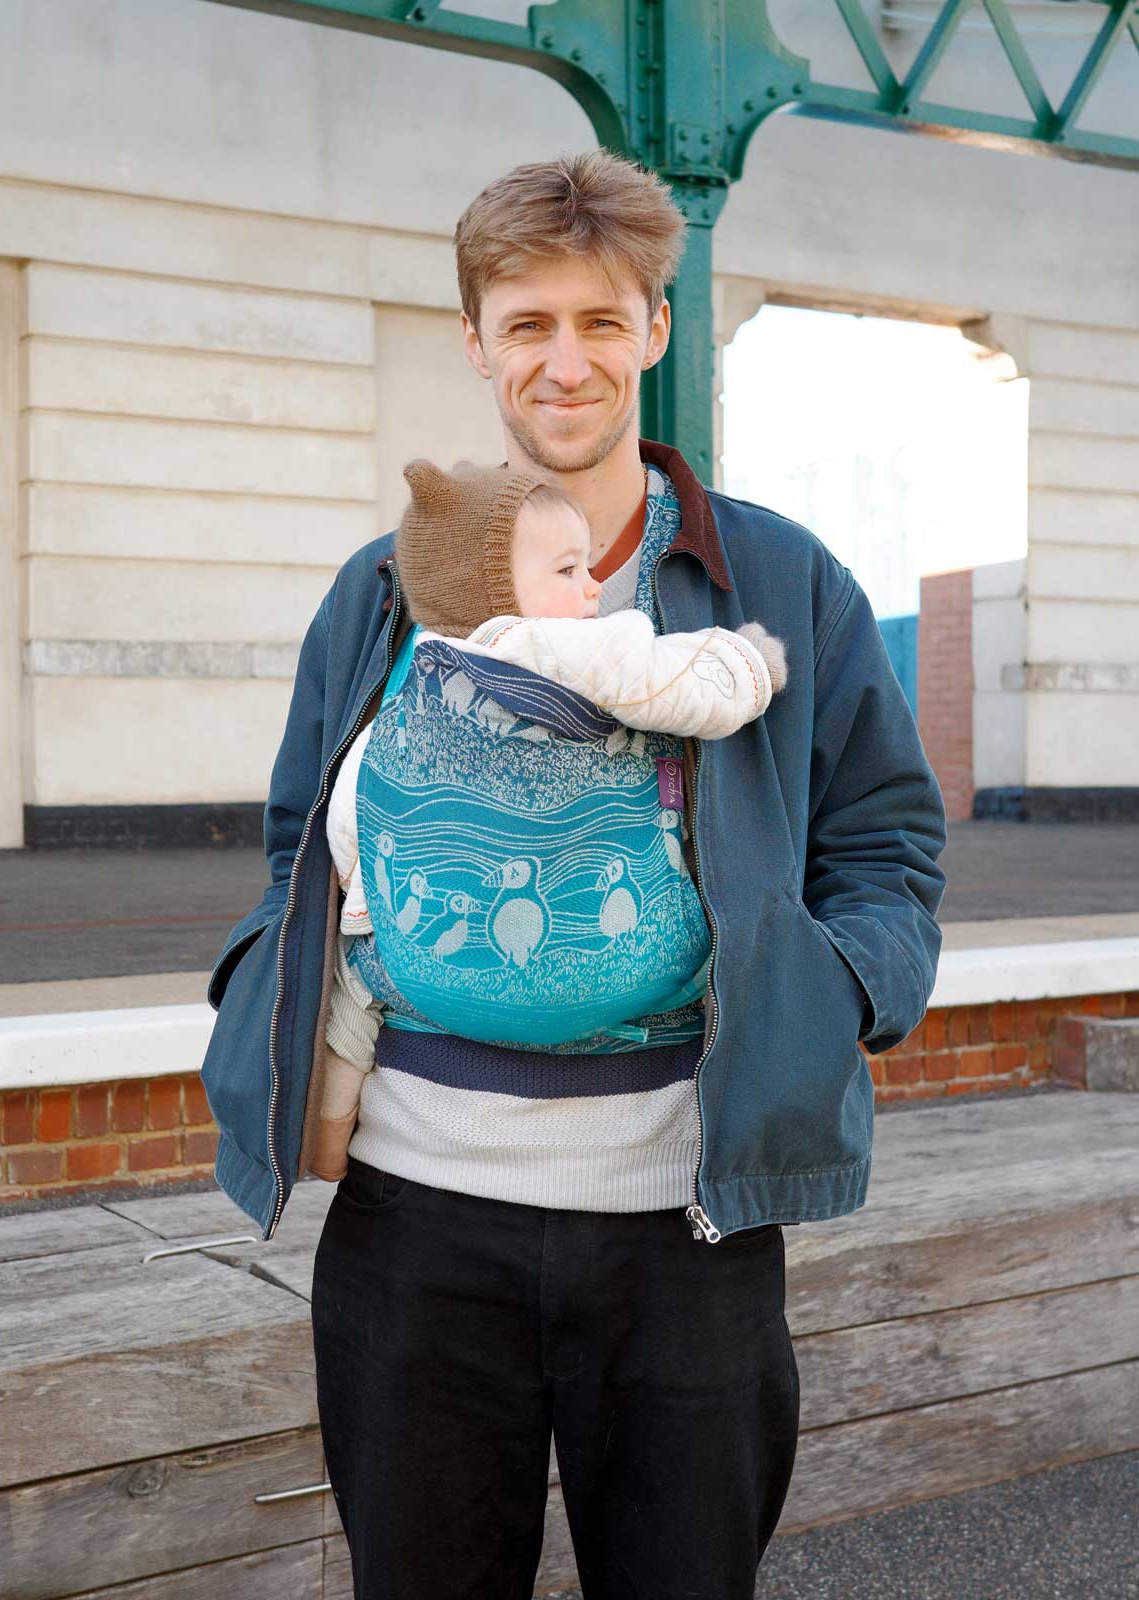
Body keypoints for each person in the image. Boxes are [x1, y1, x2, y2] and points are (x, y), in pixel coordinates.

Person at [200, 147, 946, 1600]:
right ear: (476, 341)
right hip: (414, 1215)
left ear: (655, 332)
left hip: (687, 1223)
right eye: (528, 324)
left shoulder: (779, 582)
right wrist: (276, 1008)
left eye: (603, 322)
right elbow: (300, 846)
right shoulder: (382, 586)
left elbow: (887, 842)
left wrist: (833, 993)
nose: (566, 361)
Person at [310, 455, 790, 1185]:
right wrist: (751, 661)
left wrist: (368, 908)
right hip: (637, 980)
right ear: (495, 589)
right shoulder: (562, 645)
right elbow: (681, 684)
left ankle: (327, 1127)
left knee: (359, 986)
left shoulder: (415, 678)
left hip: (428, 984)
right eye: (567, 571)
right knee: (713, 944)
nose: (593, 585)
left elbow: (357, 807)